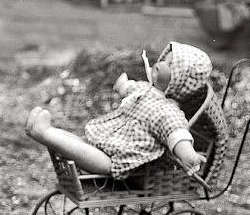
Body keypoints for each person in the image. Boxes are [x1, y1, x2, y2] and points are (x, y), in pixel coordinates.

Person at [25, 42, 226, 179]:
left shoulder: (169, 111)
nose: (161, 64)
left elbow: (177, 134)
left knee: (95, 158)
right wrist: (123, 84)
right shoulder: (147, 89)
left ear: (179, 80)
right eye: (165, 59)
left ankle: (46, 134)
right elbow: (132, 89)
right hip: (111, 139)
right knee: (81, 142)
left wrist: (187, 153)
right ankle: (48, 131)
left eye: (171, 65)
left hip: (121, 157)